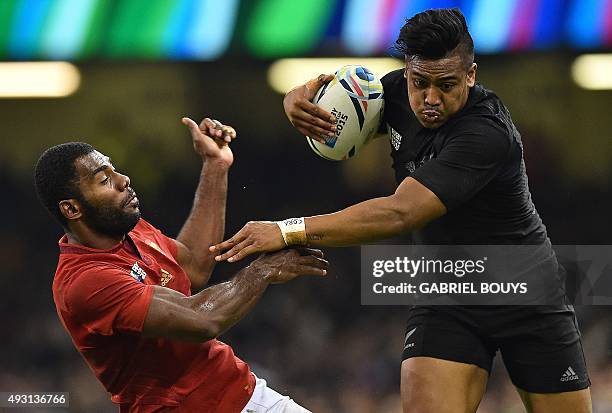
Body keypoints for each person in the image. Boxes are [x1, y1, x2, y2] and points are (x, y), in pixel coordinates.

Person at [209, 8, 592, 413]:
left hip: (524, 294)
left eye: (446, 85)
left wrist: (288, 229)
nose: (430, 99)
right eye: (419, 82)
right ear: (406, 73)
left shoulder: (486, 135)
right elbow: (344, 109)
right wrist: (298, 101)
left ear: (471, 75)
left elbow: (400, 213)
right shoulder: (393, 94)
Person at [34, 116, 328, 413]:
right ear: (71, 208)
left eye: (114, 170)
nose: (123, 180)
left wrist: (215, 166)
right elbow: (201, 319)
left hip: (242, 392)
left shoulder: (127, 230)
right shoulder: (86, 281)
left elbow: (194, 266)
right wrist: (261, 271)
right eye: (104, 179)